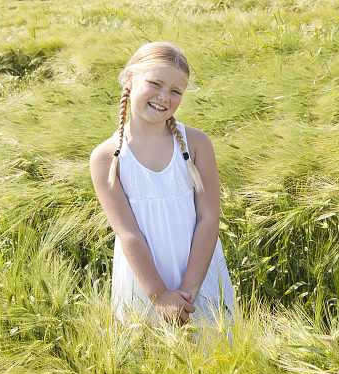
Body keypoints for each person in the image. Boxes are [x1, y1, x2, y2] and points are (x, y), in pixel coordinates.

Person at [89, 41, 236, 336]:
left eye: (175, 91)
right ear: (129, 79)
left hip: (198, 274)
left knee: (213, 354)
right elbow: (127, 232)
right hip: (145, 282)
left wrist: (188, 292)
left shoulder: (196, 144)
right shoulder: (107, 157)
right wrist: (159, 296)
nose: (163, 97)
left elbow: (209, 218)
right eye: (155, 83)